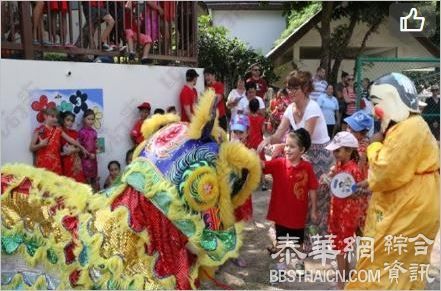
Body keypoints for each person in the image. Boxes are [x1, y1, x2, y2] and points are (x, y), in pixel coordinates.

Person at [346, 73, 439, 290]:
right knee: (402, 267)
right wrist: (370, 184)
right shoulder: (409, 126)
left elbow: (386, 171)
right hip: (411, 202)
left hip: (408, 209)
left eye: (378, 104)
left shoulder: (409, 128)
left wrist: (374, 146)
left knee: (385, 267)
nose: (376, 112)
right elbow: (401, 169)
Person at [258, 71, 332, 250]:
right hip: (301, 153)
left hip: (318, 155)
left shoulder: (312, 107)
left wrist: (283, 147)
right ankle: (296, 241)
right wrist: (266, 141)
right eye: (289, 88)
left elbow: (304, 138)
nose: (290, 92)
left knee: (316, 198)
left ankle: (313, 241)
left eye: (295, 88)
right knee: (296, 197)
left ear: (305, 89)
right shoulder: (290, 109)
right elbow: (278, 134)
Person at [262, 129, 318, 273]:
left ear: (302, 150)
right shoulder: (278, 163)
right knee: (281, 240)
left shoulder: (307, 167)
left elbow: (312, 189)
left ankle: (299, 262)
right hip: (280, 212)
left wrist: (313, 210)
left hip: (298, 213)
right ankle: (281, 265)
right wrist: (252, 153)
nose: (287, 149)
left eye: (292, 146)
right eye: (286, 145)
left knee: (298, 241)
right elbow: (261, 166)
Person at [324, 132, 364, 289]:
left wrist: (344, 188)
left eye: (338, 150)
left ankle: (341, 284)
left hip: (347, 215)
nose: (335, 153)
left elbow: (358, 193)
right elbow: (334, 185)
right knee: (339, 245)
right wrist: (329, 179)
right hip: (336, 211)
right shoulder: (338, 167)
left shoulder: (354, 170)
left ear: (349, 151)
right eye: (334, 150)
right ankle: (346, 273)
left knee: (341, 247)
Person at [30, 108, 87, 175]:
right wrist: (40, 145)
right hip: (43, 164)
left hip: (56, 164)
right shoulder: (39, 130)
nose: (55, 119)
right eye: (52, 116)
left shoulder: (58, 130)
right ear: (45, 116)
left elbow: (71, 140)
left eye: (56, 117)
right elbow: (31, 147)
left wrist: (82, 148)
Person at [344, 110, 374, 231]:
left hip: (359, 184)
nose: (348, 131)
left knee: (358, 213)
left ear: (363, 133)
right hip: (351, 182)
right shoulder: (351, 143)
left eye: (352, 130)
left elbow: (359, 164)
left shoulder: (363, 146)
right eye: (348, 127)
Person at [229, 113, 251, 267]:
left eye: (240, 132)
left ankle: (235, 253)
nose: (237, 135)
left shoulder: (249, 152)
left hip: (240, 194)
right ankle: (220, 255)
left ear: (247, 132)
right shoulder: (224, 149)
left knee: (236, 223)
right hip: (224, 195)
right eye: (234, 132)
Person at [60, 111, 86, 183]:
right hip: (65, 162)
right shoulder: (59, 133)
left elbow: (79, 148)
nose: (70, 123)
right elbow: (56, 151)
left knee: (79, 182)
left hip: (76, 162)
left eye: (72, 121)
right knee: (68, 184)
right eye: (67, 120)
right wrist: (64, 153)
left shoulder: (75, 133)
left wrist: (72, 151)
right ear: (62, 120)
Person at [79, 109, 99, 191]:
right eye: (88, 119)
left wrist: (96, 151)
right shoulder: (81, 132)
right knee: (86, 179)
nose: (91, 121)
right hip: (85, 159)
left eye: (92, 119)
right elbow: (79, 147)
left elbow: (96, 145)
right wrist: (87, 154)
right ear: (84, 119)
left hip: (93, 159)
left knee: (94, 178)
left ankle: (95, 195)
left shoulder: (94, 132)